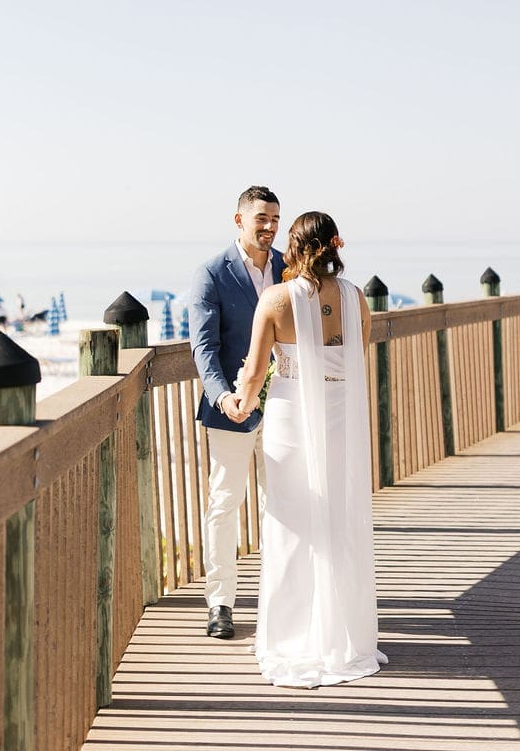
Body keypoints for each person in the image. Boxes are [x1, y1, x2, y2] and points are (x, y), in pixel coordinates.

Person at [236, 211, 387, 688]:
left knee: (291, 525)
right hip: (339, 416)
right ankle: (341, 635)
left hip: (289, 419)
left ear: (294, 249)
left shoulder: (274, 301)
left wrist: (238, 402)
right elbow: (356, 358)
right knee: (338, 519)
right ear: (334, 246)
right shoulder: (355, 298)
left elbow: (256, 374)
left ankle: (292, 637)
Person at [190, 185, 285, 640]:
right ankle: (220, 603)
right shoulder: (211, 273)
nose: (268, 227)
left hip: (285, 408)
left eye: (274, 220)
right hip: (230, 408)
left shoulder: (290, 267)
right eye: (260, 219)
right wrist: (222, 396)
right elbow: (204, 346)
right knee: (224, 504)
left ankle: (279, 597)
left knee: (281, 504)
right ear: (239, 220)